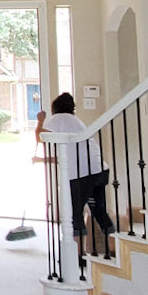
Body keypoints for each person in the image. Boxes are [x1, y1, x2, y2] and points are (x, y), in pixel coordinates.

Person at [39, 92, 114, 259]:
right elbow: (67, 156)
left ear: (55, 108)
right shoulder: (76, 122)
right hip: (99, 170)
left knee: (75, 213)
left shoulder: (58, 118)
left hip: (81, 174)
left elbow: (41, 138)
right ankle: (115, 249)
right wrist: (40, 160)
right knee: (99, 210)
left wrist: (40, 120)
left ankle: (77, 256)